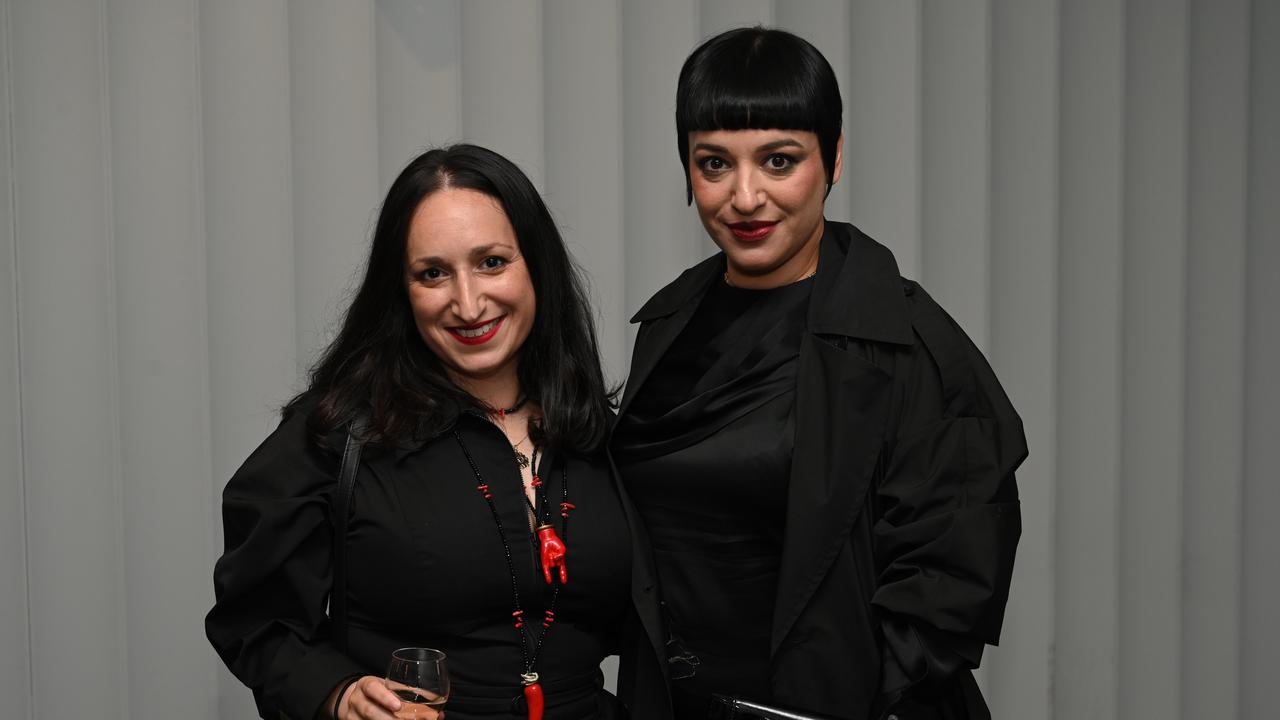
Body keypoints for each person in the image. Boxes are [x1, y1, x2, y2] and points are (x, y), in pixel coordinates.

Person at [611, 27, 1027, 720]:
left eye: (778, 161)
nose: (744, 198)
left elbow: (955, 579)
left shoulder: (909, 341)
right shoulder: (668, 326)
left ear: (832, 159)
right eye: (714, 164)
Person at [207, 144, 665, 720]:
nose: (468, 304)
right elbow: (256, 618)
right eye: (433, 274)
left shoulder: (603, 436)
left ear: (537, 267)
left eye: (492, 262)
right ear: (401, 290)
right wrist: (337, 693)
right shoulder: (341, 434)